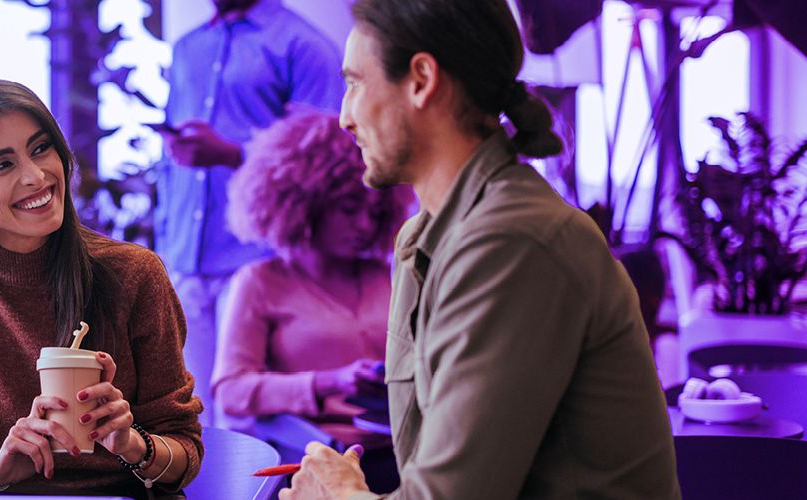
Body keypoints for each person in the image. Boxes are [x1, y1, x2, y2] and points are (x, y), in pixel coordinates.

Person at [284, 0, 679, 497]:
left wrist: (340, 494)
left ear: (422, 79)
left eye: (355, 82)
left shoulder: (513, 243)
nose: (343, 116)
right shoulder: (424, 240)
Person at [0, 77, 202, 495]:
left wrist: (134, 444)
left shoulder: (135, 273)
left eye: (41, 148)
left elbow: (185, 451)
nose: (37, 176)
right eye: (1, 165)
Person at [155, 0, 346, 420]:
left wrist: (231, 154)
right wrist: (165, 243)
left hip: (263, 263)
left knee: (254, 420)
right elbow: (171, 163)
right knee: (192, 417)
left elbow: (330, 161)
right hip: (187, 262)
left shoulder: (305, 46)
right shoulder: (188, 47)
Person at [211, 109, 410, 493]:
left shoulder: (388, 273)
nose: (365, 225)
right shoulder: (260, 282)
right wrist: (326, 383)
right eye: (350, 209)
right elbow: (231, 392)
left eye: (373, 211)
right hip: (310, 461)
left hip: (400, 454)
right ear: (306, 203)